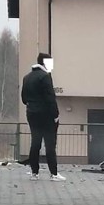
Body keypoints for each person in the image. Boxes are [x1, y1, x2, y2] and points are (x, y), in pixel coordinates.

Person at [21, 53, 65, 181]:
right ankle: (54, 173)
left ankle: (34, 172)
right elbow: (50, 98)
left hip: (31, 114)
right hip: (46, 115)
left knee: (35, 142)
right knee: (50, 144)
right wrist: (55, 115)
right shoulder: (45, 77)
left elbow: (24, 99)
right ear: (45, 63)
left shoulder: (26, 78)